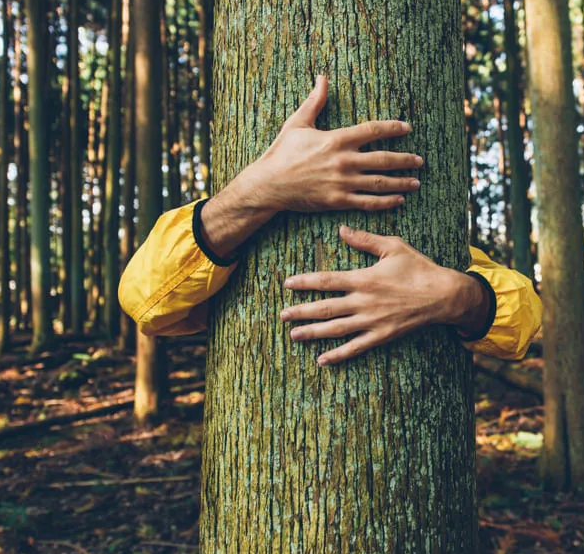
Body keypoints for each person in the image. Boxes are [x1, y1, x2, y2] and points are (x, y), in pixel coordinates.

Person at [119, 76, 542, 366]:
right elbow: (143, 300)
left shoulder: (434, 248)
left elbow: (523, 320)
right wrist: (259, 190)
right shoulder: (226, 232)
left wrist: (456, 295)